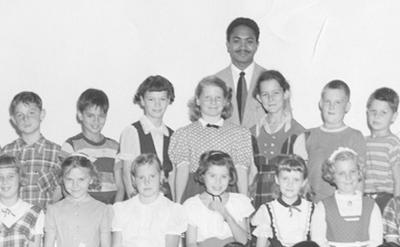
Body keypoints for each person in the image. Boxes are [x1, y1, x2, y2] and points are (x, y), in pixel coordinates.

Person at [169, 76, 254, 203]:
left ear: (226, 101)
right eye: (207, 98)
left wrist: (244, 202)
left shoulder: (240, 133)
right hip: (195, 192)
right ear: (198, 100)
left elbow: (241, 171)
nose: (213, 102)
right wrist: (178, 203)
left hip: (228, 192)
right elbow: (181, 171)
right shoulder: (184, 134)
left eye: (218, 98)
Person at [294, 80, 366, 202]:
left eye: (338, 102)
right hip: (313, 206)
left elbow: (360, 179)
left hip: (343, 206)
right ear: (321, 104)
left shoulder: (355, 137)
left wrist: (355, 205)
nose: (331, 106)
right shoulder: (307, 136)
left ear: (347, 107)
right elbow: (297, 177)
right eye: (328, 101)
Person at [250, 70, 305, 208]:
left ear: (285, 93)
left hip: (287, 198)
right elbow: (251, 173)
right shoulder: (251, 133)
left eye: (276, 93)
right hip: (259, 197)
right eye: (265, 94)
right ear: (258, 97)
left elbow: (302, 175)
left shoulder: (298, 132)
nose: (271, 99)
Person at [62, 88, 124, 204]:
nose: (96, 121)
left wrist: (115, 209)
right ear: (80, 115)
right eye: (90, 116)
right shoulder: (71, 146)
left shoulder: (115, 147)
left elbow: (120, 186)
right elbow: (65, 185)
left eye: (100, 116)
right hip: (82, 210)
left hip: (109, 209)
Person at [1, 91, 62, 210]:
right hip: (12, 224)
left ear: (42, 114)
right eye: (20, 115)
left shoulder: (58, 153)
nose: (26, 119)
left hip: (44, 224)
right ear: (13, 120)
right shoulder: (5, 153)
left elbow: (61, 194)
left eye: (31, 113)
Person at [311, 147, 382, 247]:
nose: (348, 177)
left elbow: (376, 242)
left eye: (352, 171)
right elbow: (318, 242)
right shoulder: (322, 207)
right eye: (341, 173)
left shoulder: (371, 206)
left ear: (359, 172)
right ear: (332, 176)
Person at [118, 75, 175, 199]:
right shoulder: (132, 131)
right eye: (151, 99)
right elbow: (127, 173)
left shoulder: (172, 135)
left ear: (169, 100)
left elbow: (172, 176)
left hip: (164, 201)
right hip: (140, 200)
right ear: (142, 101)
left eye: (162, 99)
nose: (157, 104)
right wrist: (133, 202)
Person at [112, 153, 187, 247]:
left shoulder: (172, 210)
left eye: (152, 176)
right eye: (141, 177)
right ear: (134, 180)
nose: (147, 182)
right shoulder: (121, 209)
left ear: (162, 175)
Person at [184, 151, 254, 247]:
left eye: (224, 176)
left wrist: (226, 215)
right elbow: (191, 243)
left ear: (230, 177)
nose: (218, 182)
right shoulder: (192, 205)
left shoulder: (238, 202)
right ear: (203, 175)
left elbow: (243, 241)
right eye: (212, 176)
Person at [44, 154, 112, 247]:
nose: (75, 185)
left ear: (91, 179)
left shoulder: (102, 209)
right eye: (69, 179)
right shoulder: (53, 210)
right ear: (62, 179)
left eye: (81, 179)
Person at [251, 155, 314, 247]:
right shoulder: (267, 210)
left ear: (303, 182)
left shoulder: (312, 209)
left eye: (296, 180)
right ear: (277, 179)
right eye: (285, 179)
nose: (290, 184)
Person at [215, 17, 267, 128]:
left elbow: (284, 121)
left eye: (249, 41)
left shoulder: (271, 81)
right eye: (236, 41)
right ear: (228, 45)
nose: (243, 47)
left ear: (257, 45)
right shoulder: (215, 82)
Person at [364, 87, 400, 212]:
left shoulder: (393, 143)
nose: (377, 116)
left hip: (386, 199)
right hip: (365, 198)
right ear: (367, 113)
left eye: (383, 113)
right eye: (373, 111)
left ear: (394, 117)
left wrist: (397, 205)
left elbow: (398, 178)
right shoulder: (363, 141)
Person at [0, 155, 45, 247]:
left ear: (20, 178)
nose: (4, 181)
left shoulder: (34, 213)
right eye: (0, 176)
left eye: (10, 176)